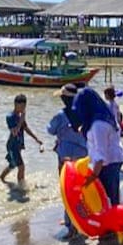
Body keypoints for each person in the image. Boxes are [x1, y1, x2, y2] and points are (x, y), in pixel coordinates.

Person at [73, 87, 123, 209]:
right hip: (113, 159)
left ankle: (113, 225)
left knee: (108, 197)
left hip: (109, 164)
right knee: (111, 196)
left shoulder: (98, 125)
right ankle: (112, 222)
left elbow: (101, 154)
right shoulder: (103, 116)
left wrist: (92, 177)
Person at [47, 83, 88, 237]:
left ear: (64, 99)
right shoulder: (83, 113)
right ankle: (80, 218)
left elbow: (50, 130)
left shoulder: (60, 115)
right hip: (83, 155)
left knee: (67, 189)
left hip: (65, 157)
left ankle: (71, 225)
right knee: (80, 189)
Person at [0, 94, 43, 188]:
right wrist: (21, 119)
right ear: (15, 104)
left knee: (13, 164)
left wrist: (36, 139)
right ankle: (21, 188)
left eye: (24, 106)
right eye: (21, 106)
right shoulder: (10, 116)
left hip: (18, 144)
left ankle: (1, 178)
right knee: (21, 166)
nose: (23, 108)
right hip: (12, 145)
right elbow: (14, 132)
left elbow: (26, 128)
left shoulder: (20, 116)